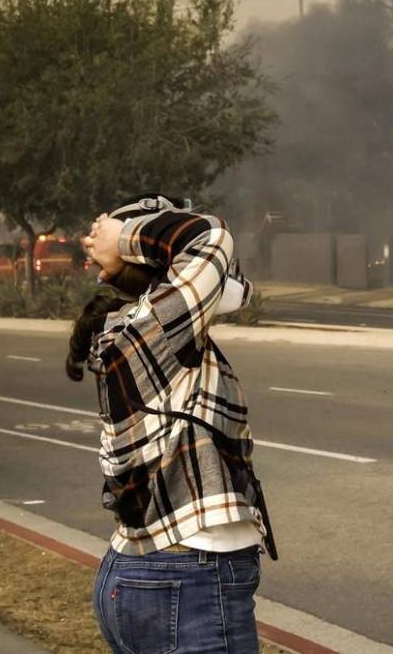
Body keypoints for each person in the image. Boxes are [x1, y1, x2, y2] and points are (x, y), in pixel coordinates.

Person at [69, 193, 276, 654]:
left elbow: (236, 288)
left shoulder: (141, 324)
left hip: (151, 576)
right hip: (188, 579)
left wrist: (122, 245)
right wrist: (120, 238)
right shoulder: (158, 328)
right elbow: (211, 237)